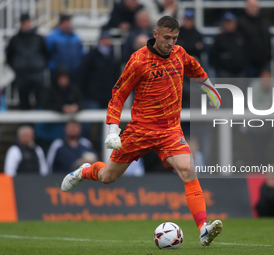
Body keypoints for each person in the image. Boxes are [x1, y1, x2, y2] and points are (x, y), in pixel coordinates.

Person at [61, 16, 222, 246]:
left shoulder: (179, 53)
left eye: (174, 38)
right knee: (108, 177)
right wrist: (113, 130)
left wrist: (210, 88)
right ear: (155, 34)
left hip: (169, 131)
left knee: (188, 169)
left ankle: (203, 229)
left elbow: (195, 68)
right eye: (167, 38)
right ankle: (85, 171)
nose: (170, 42)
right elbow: (118, 94)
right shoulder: (138, 60)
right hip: (141, 131)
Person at [5, 13, 49, 110]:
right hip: (22, 76)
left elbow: (46, 54)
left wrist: (41, 66)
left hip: (37, 74)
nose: (26, 24)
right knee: (24, 102)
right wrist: (17, 67)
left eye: (27, 22)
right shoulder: (14, 39)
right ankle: (26, 125)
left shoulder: (39, 38)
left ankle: (40, 124)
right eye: (23, 22)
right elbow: (9, 56)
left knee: (40, 100)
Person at [78, 31, 119, 109]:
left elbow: (115, 76)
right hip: (93, 96)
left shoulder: (112, 57)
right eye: (104, 39)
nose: (106, 42)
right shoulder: (91, 55)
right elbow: (83, 74)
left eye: (108, 39)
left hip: (108, 96)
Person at [46, 14, 84, 82]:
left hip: (74, 72)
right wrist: (53, 67)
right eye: (65, 22)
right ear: (61, 24)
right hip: (58, 73)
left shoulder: (76, 37)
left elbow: (81, 53)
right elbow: (47, 54)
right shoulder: (52, 37)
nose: (67, 24)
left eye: (68, 22)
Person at [238, 0, 271, 78]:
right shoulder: (241, 23)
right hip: (249, 65)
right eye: (251, 6)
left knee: (265, 89)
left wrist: (269, 58)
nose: (254, 9)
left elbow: (268, 41)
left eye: (255, 6)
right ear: (246, 8)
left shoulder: (264, 23)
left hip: (263, 64)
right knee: (249, 88)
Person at [209, 12, 246, 78]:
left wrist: (244, 68)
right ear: (223, 24)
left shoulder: (240, 37)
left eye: (231, 22)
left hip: (240, 73)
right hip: (224, 73)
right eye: (227, 22)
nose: (229, 25)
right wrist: (219, 69)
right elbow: (212, 57)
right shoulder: (219, 38)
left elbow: (246, 53)